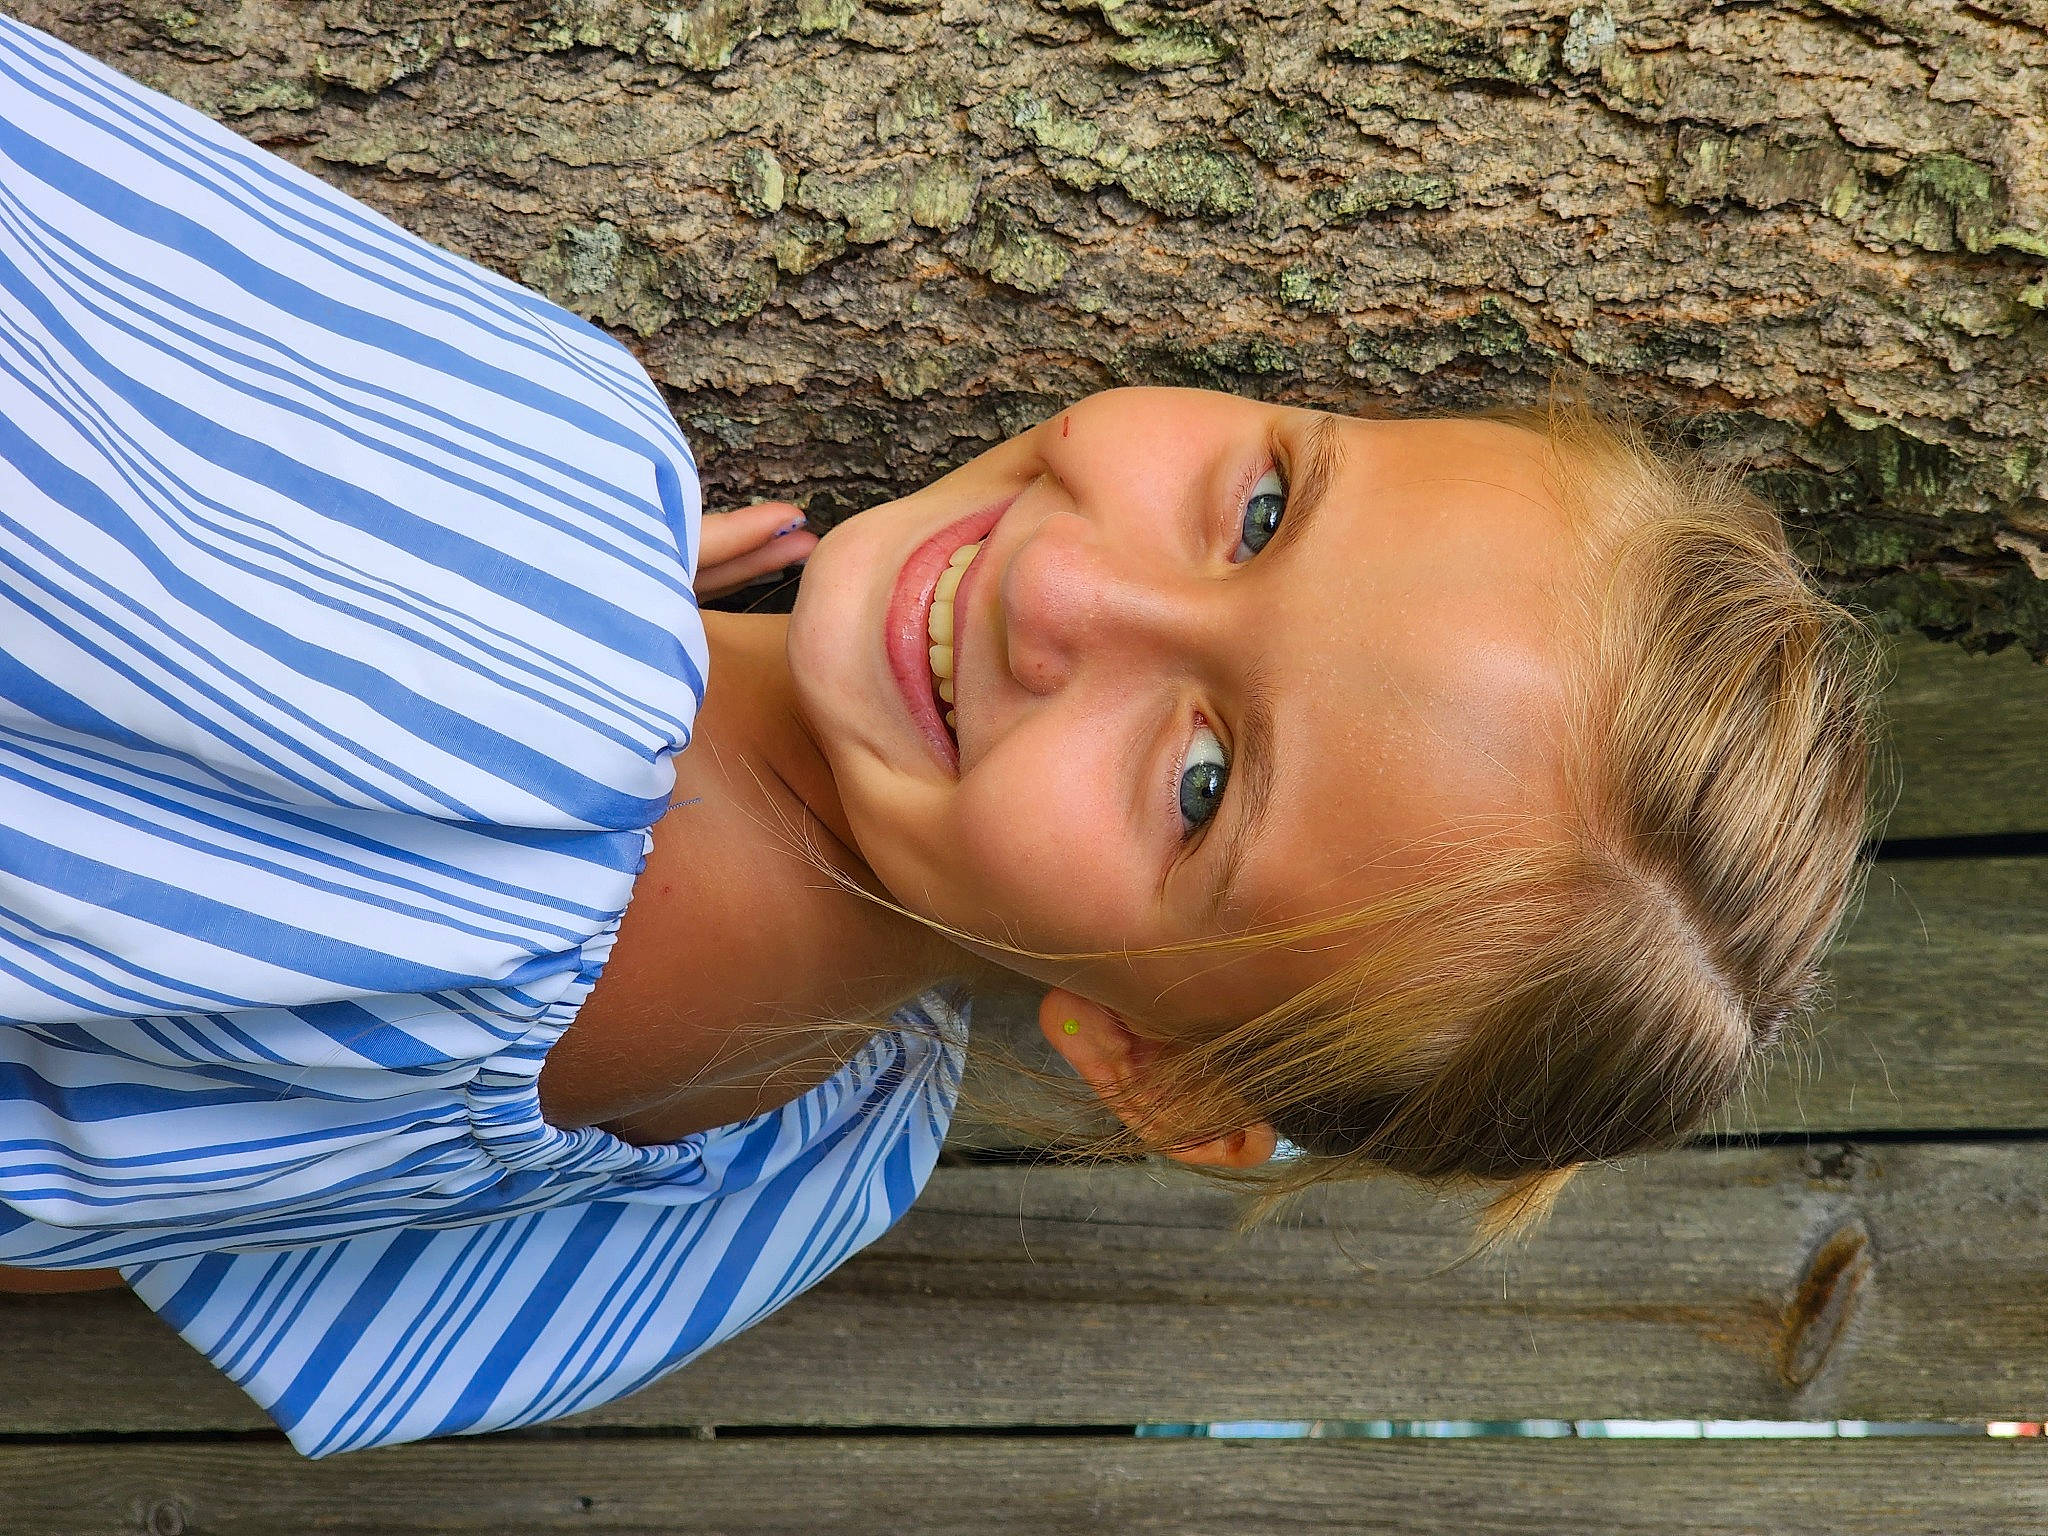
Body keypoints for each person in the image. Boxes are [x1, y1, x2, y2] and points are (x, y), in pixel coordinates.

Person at [0, 17, 1886, 1456]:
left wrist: (497, 547)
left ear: (1157, 1075)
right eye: (1259, 511)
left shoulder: (544, 581)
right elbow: (89, 1216)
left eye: (1202, 783)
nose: (1068, 589)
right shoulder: (785, 1188)